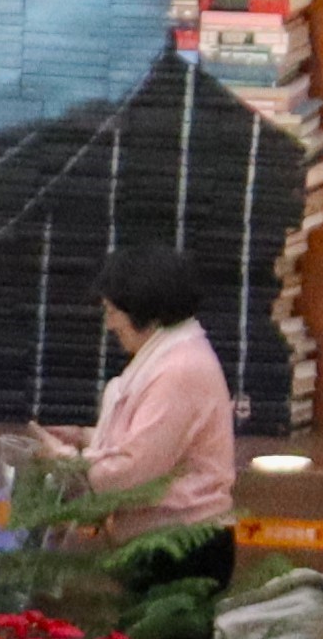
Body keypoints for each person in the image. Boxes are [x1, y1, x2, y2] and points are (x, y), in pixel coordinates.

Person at [59, 238, 246, 558]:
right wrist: (84, 438)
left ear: (145, 309)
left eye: (112, 311)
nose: (109, 324)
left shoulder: (180, 368)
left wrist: (69, 461)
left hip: (181, 546)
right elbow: (154, 443)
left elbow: (135, 469)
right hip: (165, 540)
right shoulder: (171, 355)